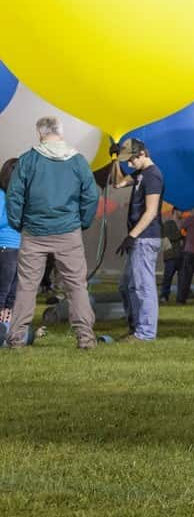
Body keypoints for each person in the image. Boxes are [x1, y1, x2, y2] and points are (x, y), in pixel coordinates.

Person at [5, 117, 99, 349]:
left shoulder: (28, 160)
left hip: (34, 232)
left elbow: (14, 195)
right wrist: (82, 222)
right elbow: (91, 195)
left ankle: (16, 338)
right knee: (76, 286)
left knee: (27, 286)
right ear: (61, 132)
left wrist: (18, 223)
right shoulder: (78, 161)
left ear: (40, 133)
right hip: (68, 232)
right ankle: (86, 338)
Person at [113, 137, 165, 342]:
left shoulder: (153, 176)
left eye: (131, 160)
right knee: (126, 286)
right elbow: (117, 183)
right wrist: (114, 159)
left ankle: (146, 333)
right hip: (138, 238)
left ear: (142, 154)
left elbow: (151, 211)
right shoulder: (140, 174)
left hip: (145, 238)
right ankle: (136, 328)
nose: (129, 164)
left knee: (144, 286)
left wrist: (131, 236)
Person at [0, 159, 22, 328]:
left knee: (13, 292)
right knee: (3, 289)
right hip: (6, 248)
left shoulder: (21, 197)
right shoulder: (1, 195)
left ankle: (6, 325)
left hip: (21, 247)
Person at [160, 211, 185, 303]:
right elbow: (169, 236)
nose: (182, 213)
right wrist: (181, 235)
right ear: (174, 211)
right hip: (170, 255)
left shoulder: (183, 224)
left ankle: (180, 298)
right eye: (180, 210)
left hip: (182, 255)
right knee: (168, 277)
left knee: (182, 278)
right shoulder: (168, 223)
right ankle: (164, 296)